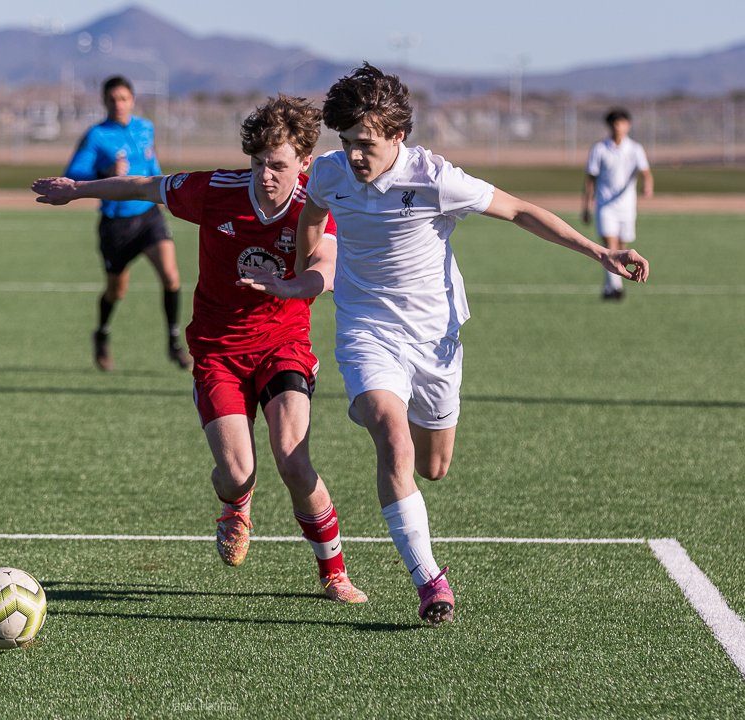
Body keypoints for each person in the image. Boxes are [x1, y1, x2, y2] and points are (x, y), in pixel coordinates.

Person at [289, 64, 649, 624]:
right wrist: (302, 276)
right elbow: (311, 219)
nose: (356, 155)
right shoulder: (330, 174)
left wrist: (598, 253)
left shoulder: (435, 177)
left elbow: (521, 211)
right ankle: (430, 579)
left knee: (433, 466)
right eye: (348, 142)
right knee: (390, 432)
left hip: (435, 339)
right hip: (366, 328)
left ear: (398, 136)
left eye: (368, 144)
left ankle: (392, 415)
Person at [34, 95, 367, 603]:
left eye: (277, 165)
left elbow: (325, 262)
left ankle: (334, 573)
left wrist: (291, 288)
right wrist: (78, 189)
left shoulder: (313, 203)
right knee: (237, 474)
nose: (265, 175)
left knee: (294, 462)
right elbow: (146, 186)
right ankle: (236, 505)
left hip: (283, 346)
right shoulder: (216, 190)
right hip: (217, 353)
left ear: (303, 161)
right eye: (258, 163)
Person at [64, 75, 189, 372]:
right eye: (112, 99)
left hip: (148, 216)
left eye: (123, 98)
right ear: (104, 102)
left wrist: (165, 194)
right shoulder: (96, 135)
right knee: (116, 291)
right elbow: (74, 172)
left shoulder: (146, 128)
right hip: (116, 224)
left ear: (132, 100)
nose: (118, 104)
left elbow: (152, 167)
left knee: (171, 277)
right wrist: (106, 170)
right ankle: (102, 333)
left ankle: (173, 341)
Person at [582, 107, 654, 300]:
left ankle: (610, 287)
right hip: (605, 205)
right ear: (609, 126)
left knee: (622, 247)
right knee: (610, 245)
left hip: (627, 207)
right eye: (615, 123)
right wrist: (586, 206)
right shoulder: (599, 149)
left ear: (628, 125)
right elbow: (591, 179)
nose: (618, 127)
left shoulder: (635, 149)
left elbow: (646, 172)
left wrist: (648, 185)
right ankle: (615, 288)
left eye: (622, 123)